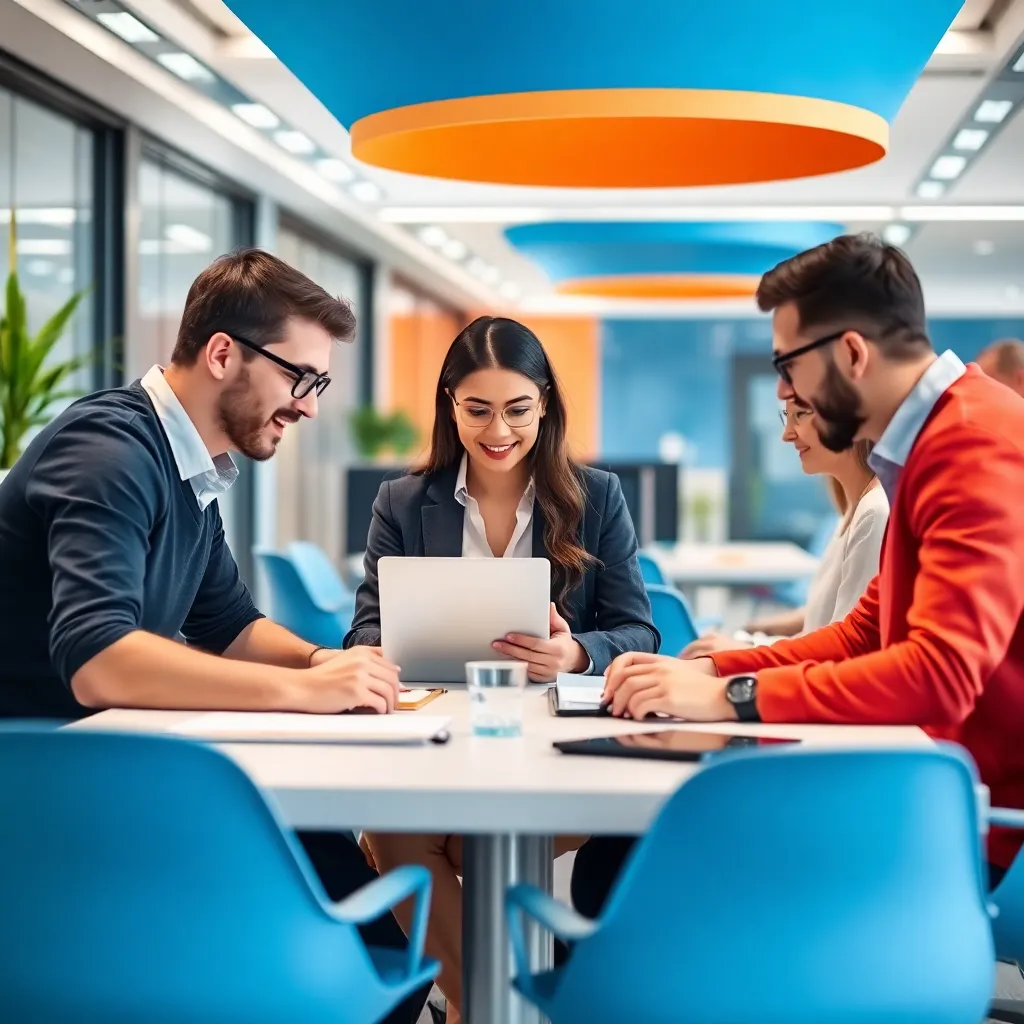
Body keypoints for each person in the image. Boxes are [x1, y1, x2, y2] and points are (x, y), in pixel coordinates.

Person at [0, 249, 428, 1024]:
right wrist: (305, 690)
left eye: (319, 384)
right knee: (360, 924)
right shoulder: (110, 452)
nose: (309, 408)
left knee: (353, 897)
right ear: (224, 354)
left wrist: (330, 661)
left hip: (105, 779)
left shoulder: (189, 469)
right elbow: (98, 658)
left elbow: (228, 623)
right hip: (49, 804)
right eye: (301, 378)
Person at [573, 233, 1024, 921]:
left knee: (629, 864)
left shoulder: (971, 444)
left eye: (788, 366)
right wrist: (713, 669)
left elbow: (940, 674)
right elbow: (866, 631)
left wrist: (733, 697)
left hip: (974, 825)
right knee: (625, 851)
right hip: (934, 792)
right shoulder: (938, 437)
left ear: (851, 353)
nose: (784, 393)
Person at [348, 315, 659, 1023]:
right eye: (478, 410)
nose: (498, 431)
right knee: (395, 832)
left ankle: (469, 1006)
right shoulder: (403, 502)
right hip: (443, 742)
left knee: (422, 840)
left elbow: (640, 631)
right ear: (450, 404)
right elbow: (365, 630)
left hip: (555, 753)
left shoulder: (596, 496)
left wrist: (575, 653)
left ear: (544, 404)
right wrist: (392, 648)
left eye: (518, 409)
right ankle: (483, 1005)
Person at [682, 398, 888, 656]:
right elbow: (821, 631)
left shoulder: (874, 513)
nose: (787, 435)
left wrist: (747, 649)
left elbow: (844, 654)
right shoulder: (851, 513)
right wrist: (752, 640)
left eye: (800, 415)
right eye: (786, 416)